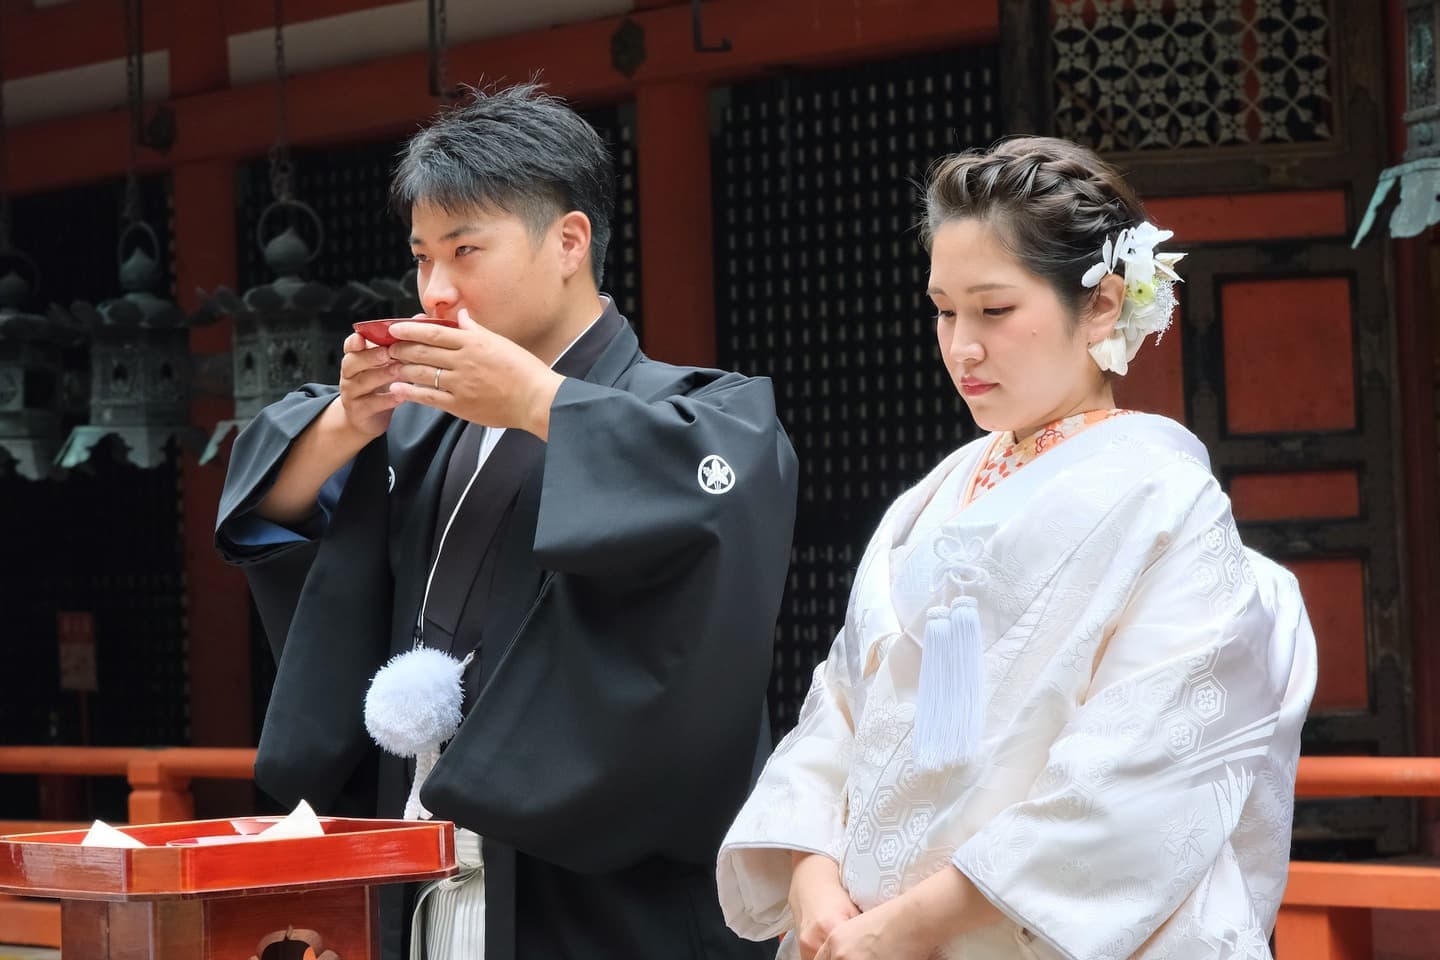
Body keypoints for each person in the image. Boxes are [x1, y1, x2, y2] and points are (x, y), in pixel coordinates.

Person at [217, 82, 797, 960]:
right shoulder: (419, 424)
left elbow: (722, 490)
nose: (437, 289)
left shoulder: (697, 411)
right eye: (421, 258)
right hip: (422, 853)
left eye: (465, 250)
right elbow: (274, 513)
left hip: (598, 890)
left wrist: (537, 400)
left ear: (569, 241)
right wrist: (347, 420)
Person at [716, 137, 1317, 960]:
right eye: (943, 309)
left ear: (1102, 305)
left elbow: (1138, 774)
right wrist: (812, 868)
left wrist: (913, 924)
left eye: (994, 311)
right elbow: (841, 706)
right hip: (857, 929)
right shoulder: (929, 498)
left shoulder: (1166, 503)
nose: (961, 346)